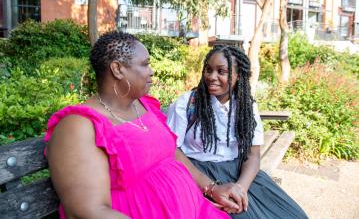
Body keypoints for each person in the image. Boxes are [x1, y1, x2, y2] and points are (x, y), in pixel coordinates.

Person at [44, 31, 230, 219]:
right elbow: (88, 211)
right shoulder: (79, 126)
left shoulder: (144, 106)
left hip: (199, 210)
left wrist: (212, 188)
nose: (151, 71)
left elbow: (172, 154)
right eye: (145, 64)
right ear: (117, 69)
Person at [166, 45, 308, 218]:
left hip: (239, 173)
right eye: (208, 70)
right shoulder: (188, 103)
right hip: (196, 174)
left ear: (238, 75)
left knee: (293, 214)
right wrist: (212, 188)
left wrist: (240, 189)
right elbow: (171, 149)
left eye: (221, 71)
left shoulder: (246, 106)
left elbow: (253, 155)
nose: (212, 77)